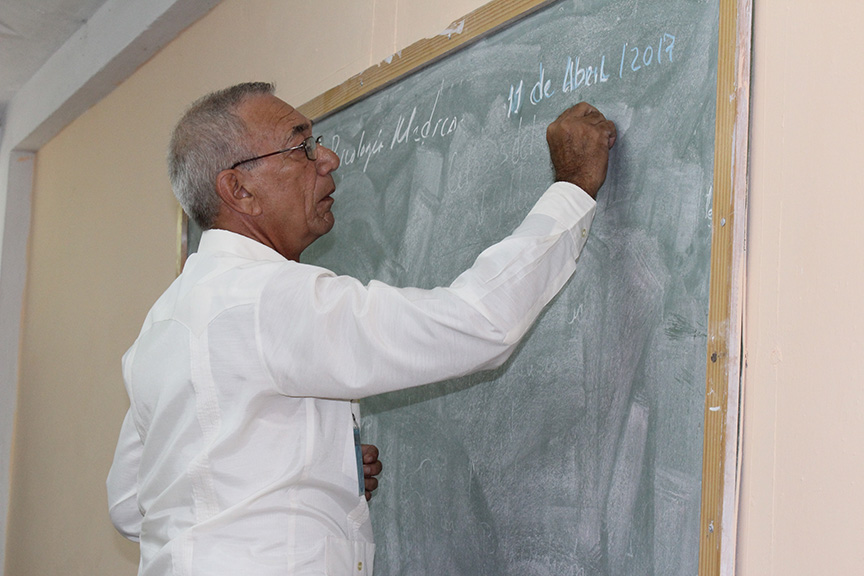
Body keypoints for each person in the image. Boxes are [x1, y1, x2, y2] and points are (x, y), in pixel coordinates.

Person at [107, 81, 616, 575]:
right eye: (300, 146)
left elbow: (131, 505)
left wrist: (313, 466)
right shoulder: (270, 298)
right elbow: (476, 323)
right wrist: (571, 190)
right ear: (238, 189)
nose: (327, 160)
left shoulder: (163, 324)